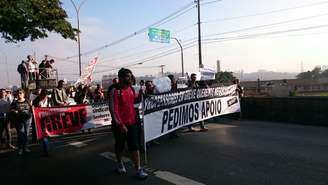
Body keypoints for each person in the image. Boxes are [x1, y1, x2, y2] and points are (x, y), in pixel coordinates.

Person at [110, 68, 148, 179]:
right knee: (120, 146)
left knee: (134, 146)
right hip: (119, 125)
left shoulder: (131, 88)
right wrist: (120, 124)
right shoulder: (115, 90)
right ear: (121, 78)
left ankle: (138, 169)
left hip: (132, 123)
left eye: (131, 76)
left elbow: (133, 102)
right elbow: (114, 109)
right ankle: (119, 162)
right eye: (128, 76)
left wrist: (140, 96)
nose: (130, 78)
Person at [10, 89, 32, 155]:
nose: (19, 94)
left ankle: (26, 147)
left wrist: (32, 107)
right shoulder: (15, 102)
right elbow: (11, 109)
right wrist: (14, 111)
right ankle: (20, 149)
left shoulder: (28, 101)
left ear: (23, 94)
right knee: (20, 135)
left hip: (27, 119)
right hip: (19, 120)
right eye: (18, 93)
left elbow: (31, 109)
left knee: (26, 134)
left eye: (20, 93)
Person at [32, 89, 54, 156]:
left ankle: (46, 148)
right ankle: (46, 150)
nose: (44, 96)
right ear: (40, 94)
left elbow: (53, 108)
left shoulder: (50, 100)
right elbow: (33, 109)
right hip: (39, 120)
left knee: (46, 135)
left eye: (45, 95)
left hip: (48, 120)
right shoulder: (36, 100)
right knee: (44, 136)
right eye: (43, 95)